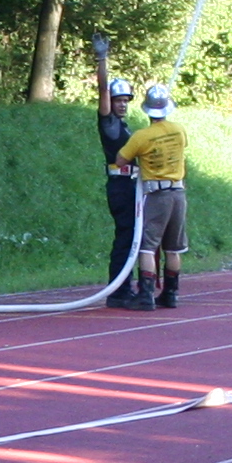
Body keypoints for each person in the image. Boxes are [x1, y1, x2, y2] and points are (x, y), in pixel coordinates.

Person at [110, 80, 189, 310]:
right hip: (178, 193)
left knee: (147, 245)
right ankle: (171, 294)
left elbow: (120, 160)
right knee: (173, 248)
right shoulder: (179, 130)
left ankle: (146, 295)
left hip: (156, 195)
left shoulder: (141, 136)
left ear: (147, 109)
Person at [98, 70, 142, 304]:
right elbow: (102, 91)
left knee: (131, 236)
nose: (123, 104)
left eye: (126, 100)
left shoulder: (124, 126)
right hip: (120, 186)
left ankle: (125, 285)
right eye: (118, 101)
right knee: (126, 237)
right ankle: (119, 291)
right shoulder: (109, 124)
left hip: (130, 184)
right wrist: (101, 60)